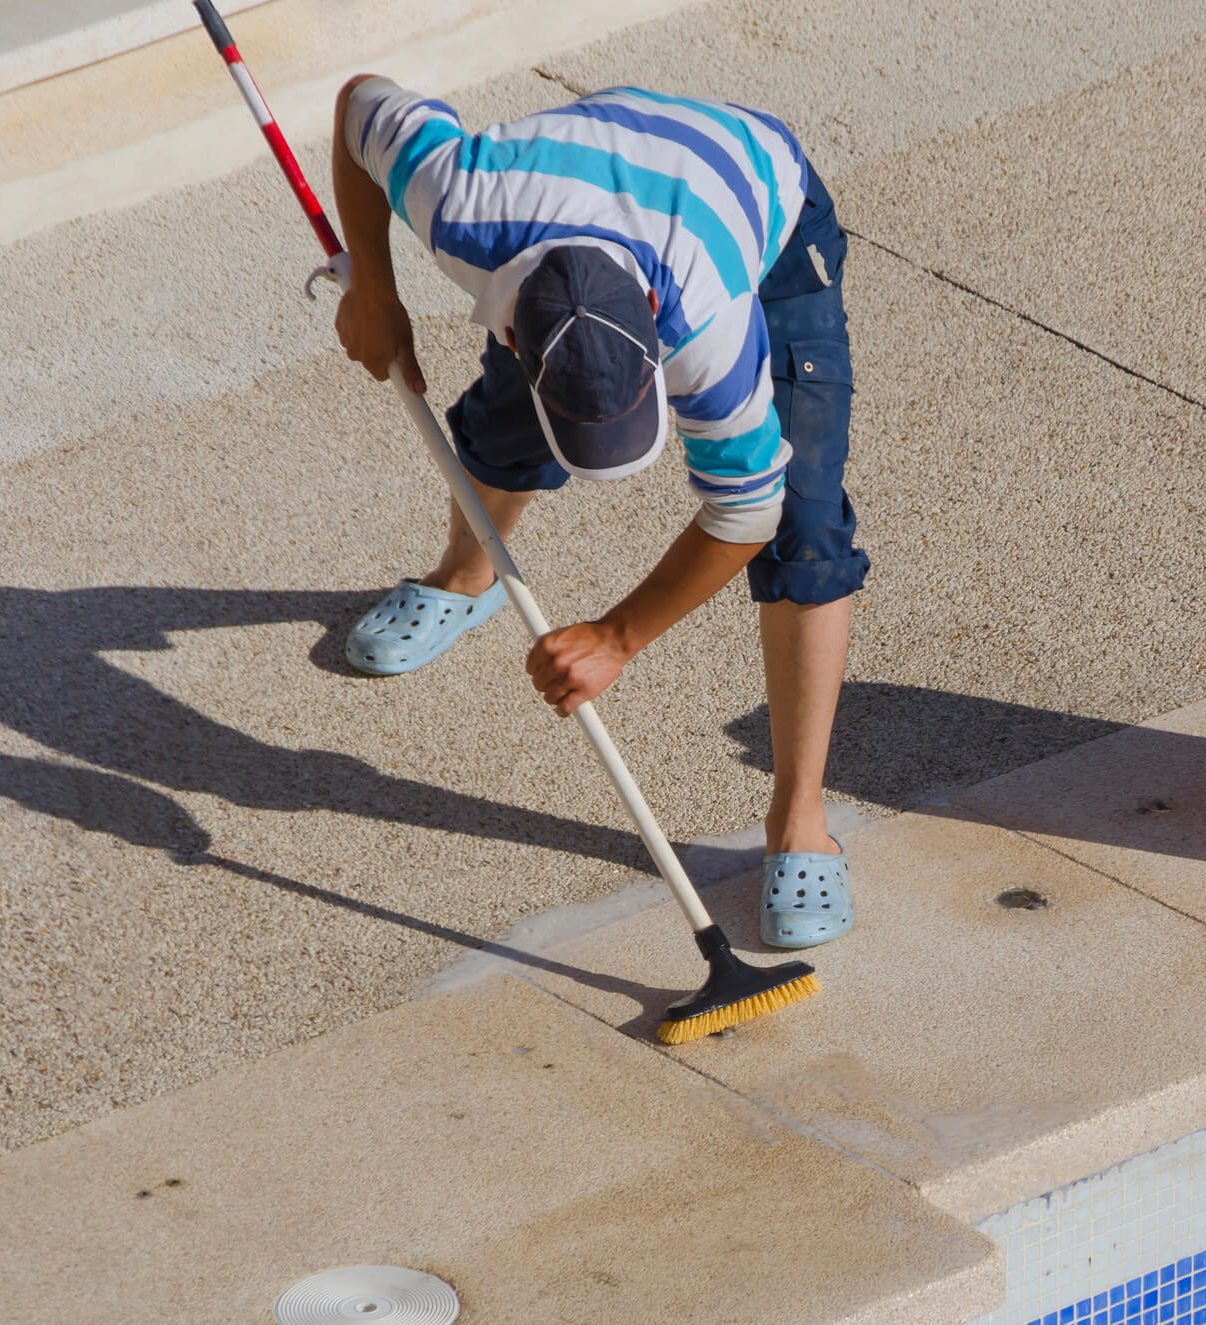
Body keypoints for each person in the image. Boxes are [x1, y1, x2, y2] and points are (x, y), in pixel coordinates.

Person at [327, 73, 866, 949]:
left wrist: (617, 638)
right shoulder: (463, 204)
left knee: (807, 526)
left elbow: (745, 515)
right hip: (570, 200)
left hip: (755, 201)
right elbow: (361, 106)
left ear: (656, 334)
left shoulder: (710, 321)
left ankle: (800, 818)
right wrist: (376, 291)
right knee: (503, 432)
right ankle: (467, 581)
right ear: (517, 333)